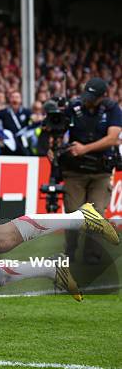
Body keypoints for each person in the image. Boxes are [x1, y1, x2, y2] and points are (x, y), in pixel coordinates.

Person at [59, 78, 122, 263]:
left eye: (92, 97)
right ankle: (70, 251)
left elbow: (113, 139)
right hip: (75, 170)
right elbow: (58, 129)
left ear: (103, 96)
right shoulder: (74, 107)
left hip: (100, 171)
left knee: (96, 214)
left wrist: (84, 148)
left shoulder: (112, 109)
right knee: (72, 213)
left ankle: (92, 254)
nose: (88, 99)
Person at [0, 90, 32, 156]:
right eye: (12, 97)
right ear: (9, 99)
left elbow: (34, 118)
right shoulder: (4, 112)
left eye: (17, 97)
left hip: (22, 144)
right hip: (8, 144)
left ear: (21, 99)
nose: (15, 100)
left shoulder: (26, 112)